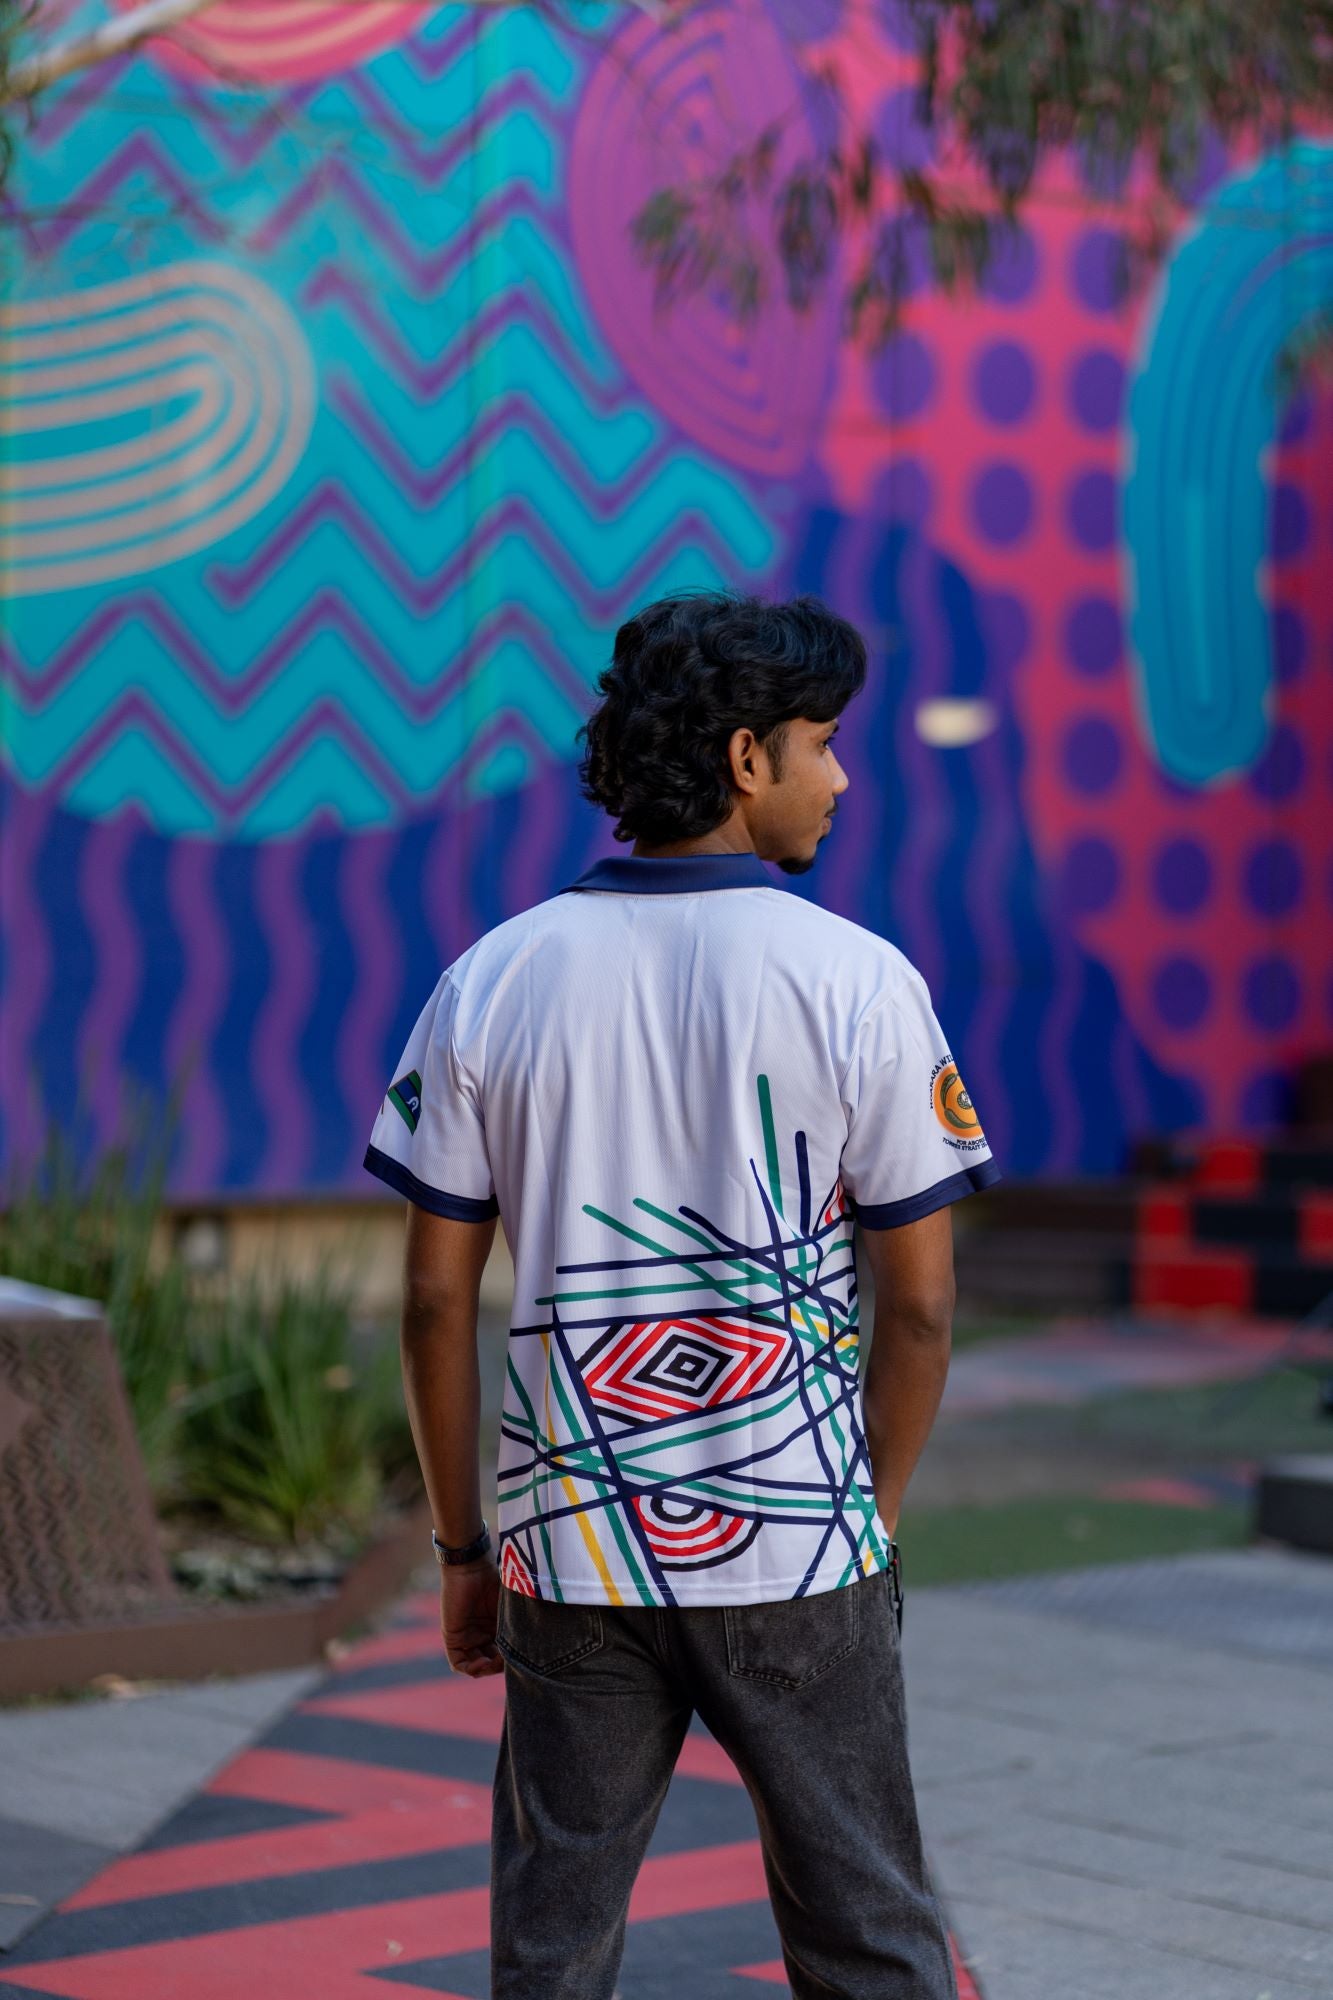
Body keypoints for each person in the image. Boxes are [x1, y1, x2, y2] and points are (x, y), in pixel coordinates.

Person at [364, 591, 999, 1999]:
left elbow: (428, 1303)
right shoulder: (858, 981)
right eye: (823, 743)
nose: (839, 776)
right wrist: (864, 1513)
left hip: (567, 1557)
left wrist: (466, 1546)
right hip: (800, 1557)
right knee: (868, 1932)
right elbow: (918, 1311)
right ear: (742, 757)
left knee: (553, 1938)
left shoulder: (491, 981)